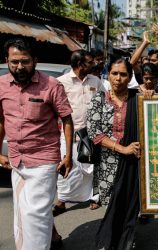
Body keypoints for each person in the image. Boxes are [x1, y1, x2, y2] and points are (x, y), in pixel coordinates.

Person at [0, 38, 73, 249]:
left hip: (44, 159)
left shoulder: (52, 85)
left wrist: (68, 156)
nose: (19, 67)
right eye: (14, 62)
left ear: (35, 61)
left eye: (25, 61)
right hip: (16, 158)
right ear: (7, 61)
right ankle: (54, 239)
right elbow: (1, 121)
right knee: (23, 209)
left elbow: (67, 120)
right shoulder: (2, 85)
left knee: (35, 212)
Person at [87, 58, 140, 250]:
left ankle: (127, 240)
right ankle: (111, 240)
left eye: (123, 74)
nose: (118, 78)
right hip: (108, 162)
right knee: (113, 206)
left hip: (134, 161)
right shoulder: (99, 99)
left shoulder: (138, 98)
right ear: (108, 75)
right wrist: (122, 148)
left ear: (130, 77)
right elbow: (94, 133)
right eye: (114, 73)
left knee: (130, 204)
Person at [54, 49, 104, 214]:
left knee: (92, 168)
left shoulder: (95, 81)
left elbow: (105, 101)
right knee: (67, 168)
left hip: (92, 134)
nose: (94, 64)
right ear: (79, 65)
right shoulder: (60, 82)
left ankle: (94, 197)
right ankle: (62, 200)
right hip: (69, 137)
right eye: (90, 62)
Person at [130, 23, 158, 92]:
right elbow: (132, 63)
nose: (148, 81)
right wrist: (145, 43)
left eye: (154, 60)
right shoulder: (143, 73)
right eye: (149, 60)